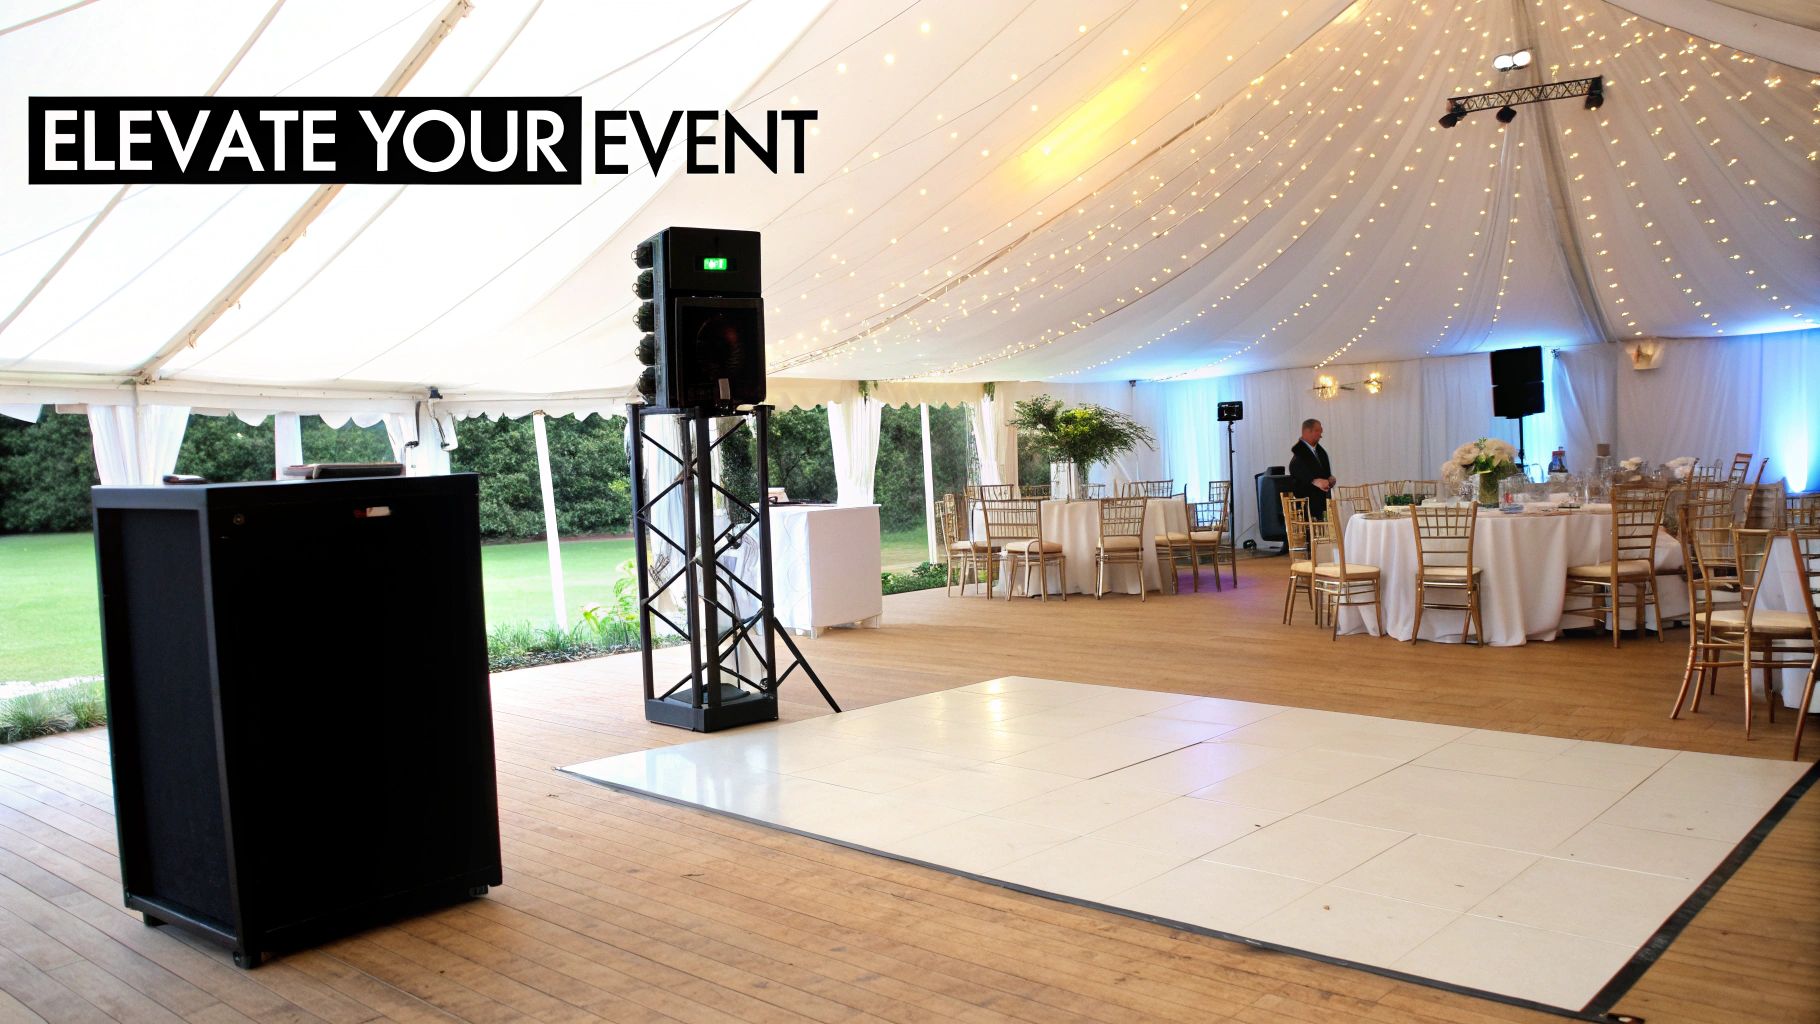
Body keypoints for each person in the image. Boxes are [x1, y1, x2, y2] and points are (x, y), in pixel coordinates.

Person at [1288, 418, 1336, 520]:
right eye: (1317, 431)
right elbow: (1295, 471)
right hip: (1308, 506)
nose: (1321, 435)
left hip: (1322, 502)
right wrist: (1313, 481)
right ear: (1307, 432)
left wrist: (1329, 479)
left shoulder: (1320, 452)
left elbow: (1323, 473)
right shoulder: (1299, 454)